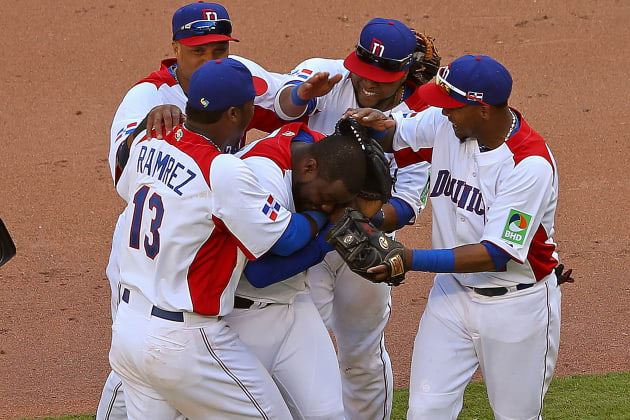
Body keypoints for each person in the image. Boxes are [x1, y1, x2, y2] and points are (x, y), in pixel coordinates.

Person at [109, 58, 334, 419]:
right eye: (251, 105)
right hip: (183, 340)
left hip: (127, 331)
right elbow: (288, 240)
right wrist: (327, 216)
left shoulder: (150, 142)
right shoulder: (221, 170)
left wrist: (140, 130)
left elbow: (121, 170)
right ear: (235, 113)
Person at [345, 54, 562, 419]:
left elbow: (496, 253)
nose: (444, 113)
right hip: (451, 295)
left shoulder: (529, 165)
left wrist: (409, 259)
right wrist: (373, 125)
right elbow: (395, 135)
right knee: (425, 411)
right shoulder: (449, 123)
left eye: (453, 107)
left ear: (483, 110)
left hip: (515, 305)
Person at [98, 3, 289, 418]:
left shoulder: (235, 75)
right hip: (161, 283)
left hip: (156, 282)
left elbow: (285, 98)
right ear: (176, 48)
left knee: (139, 372)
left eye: (217, 50)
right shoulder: (147, 96)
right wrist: (147, 129)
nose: (209, 59)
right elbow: (121, 177)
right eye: (198, 50)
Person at [273, 17, 439, 420]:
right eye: (364, 73)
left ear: (404, 72)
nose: (369, 84)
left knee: (360, 353)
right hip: (305, 240)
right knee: (293, 346)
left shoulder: (418, 121)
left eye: (382, 78)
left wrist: (363, 218)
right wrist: (298, 96)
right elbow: (272, 107)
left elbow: (408, 202)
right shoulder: (324, 76)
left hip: (363, 247)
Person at [223, 123, 369, 419]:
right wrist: (328, 238)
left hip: (294, 306)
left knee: (328, 414)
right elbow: (260, 273)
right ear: (310, 167)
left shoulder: (313, 152)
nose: (326, 206)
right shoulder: (263, 175)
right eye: (326, 197)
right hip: (241, 317)